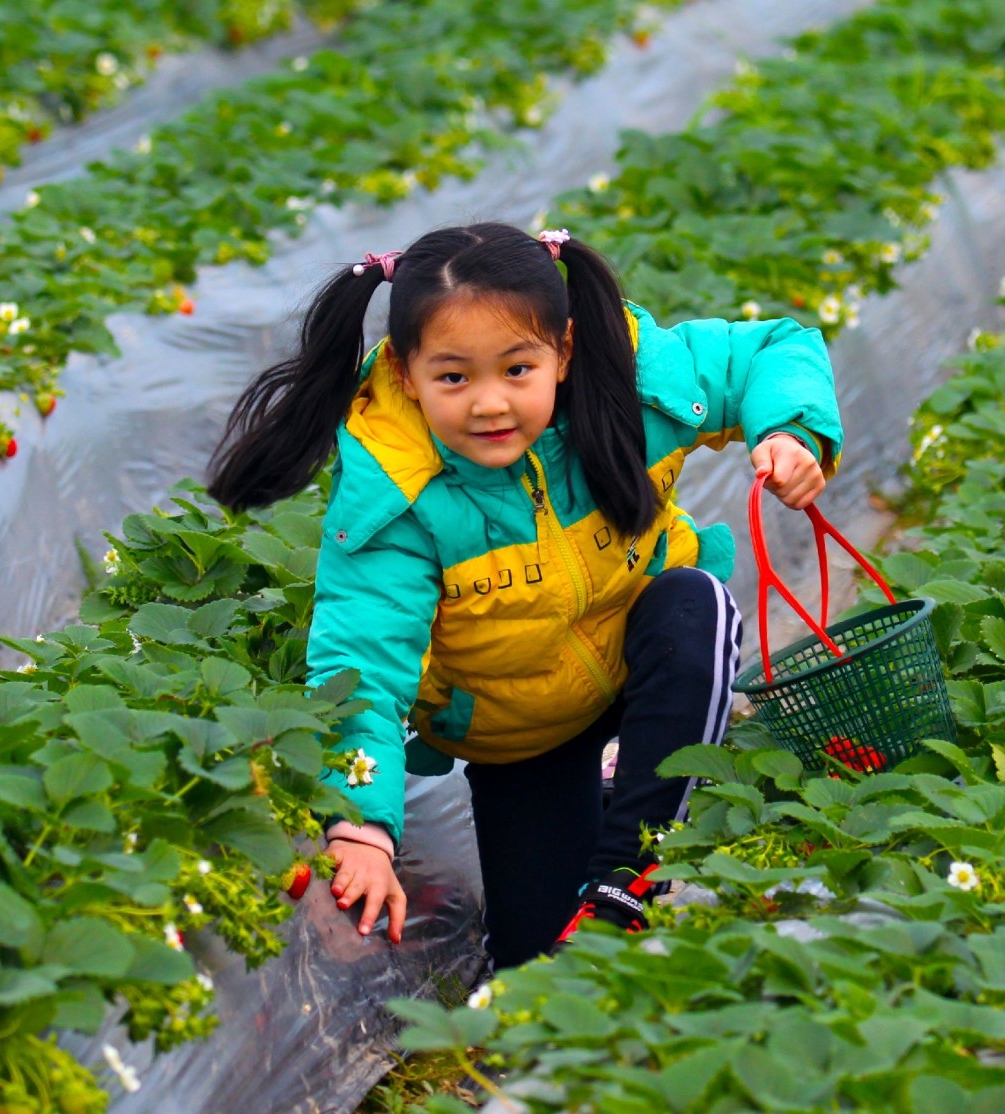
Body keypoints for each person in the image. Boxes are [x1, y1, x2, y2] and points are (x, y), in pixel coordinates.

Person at [206, 222, 841, 969]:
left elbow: (772, 348)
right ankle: (606, 795)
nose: (489, 404)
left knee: (694, 605)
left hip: (637, 656)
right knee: (534, 961)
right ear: (408, 376)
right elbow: (361, 663)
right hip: (518, 733)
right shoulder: (397, 492)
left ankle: (628, 874)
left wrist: (794, 431)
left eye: (516, 369)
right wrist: (361, 828)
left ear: (564, 352)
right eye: (453, 378)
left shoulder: (633, 378)